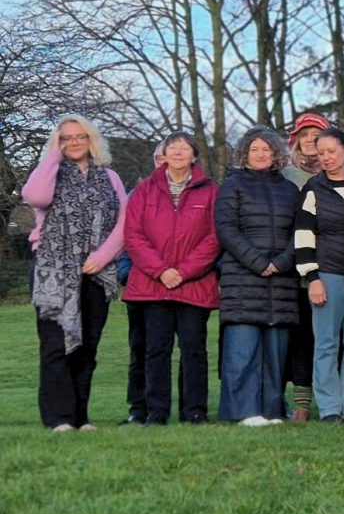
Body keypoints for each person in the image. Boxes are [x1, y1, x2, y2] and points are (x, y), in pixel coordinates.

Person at [24, 114, 128, 432]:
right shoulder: (48, 173)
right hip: (52, 271)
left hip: (97, 272)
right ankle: (59, 418)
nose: (74, 142)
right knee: (55, 346)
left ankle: (80, 417)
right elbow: (36, 197)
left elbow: (125, 222)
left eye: (80, 136)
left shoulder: (110, 177)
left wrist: (103, 256)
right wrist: (52, 156)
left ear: (91, 139)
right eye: (66, 137)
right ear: (57, 142)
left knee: (87, 347)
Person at [123, 131, 220, 426]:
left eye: (184, 148)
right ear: (163, 155)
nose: (178, 152)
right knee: (156, 349)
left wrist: (184, 271)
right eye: (172, 148)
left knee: (194, 350)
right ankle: (156, 412)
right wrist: (162, 271)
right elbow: (133, 235)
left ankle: (194, 411)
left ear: (194, 155)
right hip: (153, 285)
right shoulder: (144, 190)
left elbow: (215, 237)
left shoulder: (211, 191)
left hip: (194, 284)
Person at [215, 126, 300, 427]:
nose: (261, 154)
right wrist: (258, 262)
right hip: (243, 277)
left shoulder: (289, 189)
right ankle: (243, 411)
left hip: (281, 280)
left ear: (276, 153)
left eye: (266, 149)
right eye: (255, 149)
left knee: (275, 352)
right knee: (243, 348)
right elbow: (226, 229)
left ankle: (272, 410)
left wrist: (282, 261)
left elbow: (300, 231)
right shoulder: (232, 185)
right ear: (245, 154)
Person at [294, 127, 344, 424]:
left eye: (331, 151)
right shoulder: (313, 188)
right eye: (321, 153)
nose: (326, 157)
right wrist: (312, 278)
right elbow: (303, 235)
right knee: (326, 342)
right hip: (327, 273)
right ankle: (330, 407)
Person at [282, 112, 331, 422]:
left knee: (330, 337)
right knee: (301, 338)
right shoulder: (287, 175)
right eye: (305, 135)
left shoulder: (338, 173)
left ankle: (331, 398)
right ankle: (301, 400)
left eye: (317, 135)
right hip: (295, 268)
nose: (310, 140)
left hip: (330, 265)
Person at [118, 140, 166, 425]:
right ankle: (138, 409)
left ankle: (182, 409)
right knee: (140, 349)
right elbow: (125, 237)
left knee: (173, 351)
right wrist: (126, 272)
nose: (164, 162)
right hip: (141, 284)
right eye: (159, 157)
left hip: (181, 284)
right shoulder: (137, 194)